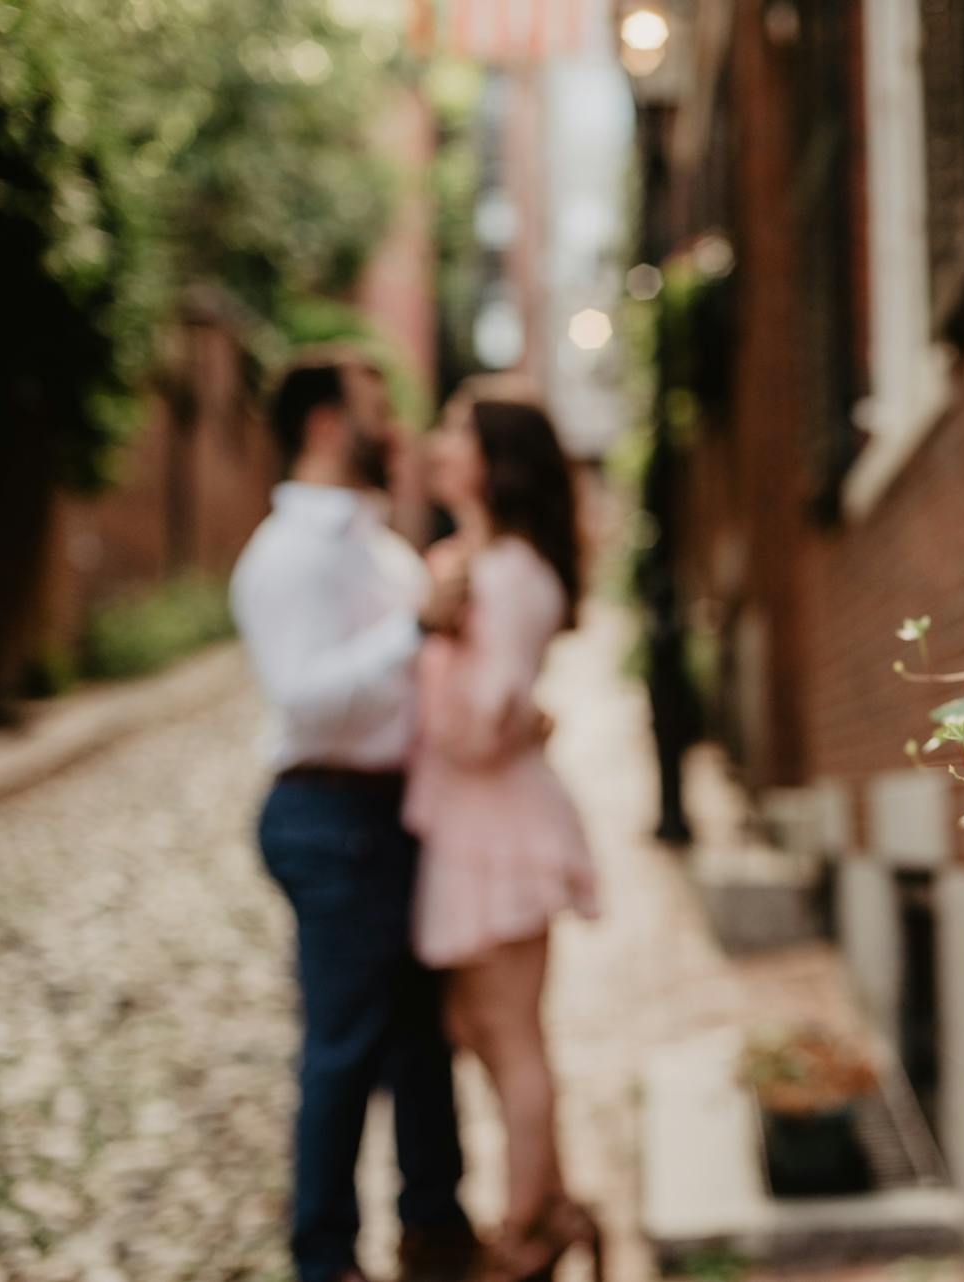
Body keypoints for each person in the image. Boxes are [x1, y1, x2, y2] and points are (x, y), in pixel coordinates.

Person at [231, 350, 480, 1282]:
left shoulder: (377, 544)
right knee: (344, 1041)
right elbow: (300, 695)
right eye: (379, 412)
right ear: (328, 425)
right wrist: (414, 629)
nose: (397, 433)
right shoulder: (287, 556)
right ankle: (324, 1254)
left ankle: (434, 1223)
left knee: (422, 1033)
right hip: (329, 816)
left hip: (393, 812)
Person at [405, 390, 603, 1282]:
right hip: (463, 822)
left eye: (458, 433)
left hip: (504, 826)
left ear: (497, 462)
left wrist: (441, 644)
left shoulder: (514, 574)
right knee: (475, 1026)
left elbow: (480, 729)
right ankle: (554, 1204)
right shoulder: (459, 562)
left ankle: (525, 1233)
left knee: (513, 1033)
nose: (439, 446)